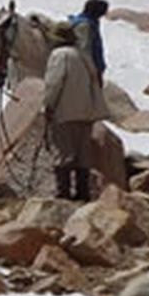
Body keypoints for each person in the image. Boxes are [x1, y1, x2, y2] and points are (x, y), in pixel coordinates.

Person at [43, 20, 110, 201]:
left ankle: (63, 193)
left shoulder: (59, 55)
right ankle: (82, 193)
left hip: (64, 112)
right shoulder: (84, 55)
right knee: (83, 155)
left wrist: (48, 105)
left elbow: (54, 84)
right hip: (86, 111)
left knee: (63, 153)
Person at [67, 0, 108, 84]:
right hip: (86, 67)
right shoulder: (85, 26)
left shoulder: (85, 22)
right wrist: (93, 69)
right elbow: (84, 48)